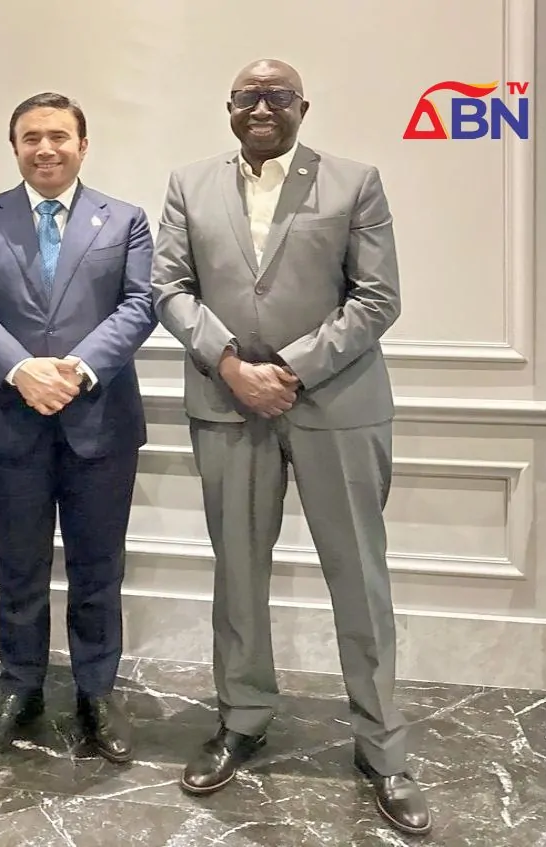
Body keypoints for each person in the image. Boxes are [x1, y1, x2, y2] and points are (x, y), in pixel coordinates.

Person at [151, 59, 431, 836]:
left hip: (337, 406)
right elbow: (168, 288)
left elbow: (378, 297)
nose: (261, 106)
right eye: (248, 95)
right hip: (227, 404)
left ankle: (383, 749)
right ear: (229, 107)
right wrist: (232, 367)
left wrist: (292, 369)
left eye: (277, 95)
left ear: (303, 106)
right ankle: (241, 719)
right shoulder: (189, 184)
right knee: (238, 572)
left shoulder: (354, 182)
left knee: (359, 578)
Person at [0, 92, 156, 763]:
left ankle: (98, 692)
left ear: (83, 145)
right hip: (9, 419)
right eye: (31, 137)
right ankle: (19, 689)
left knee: (99, 568)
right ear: (14, 147)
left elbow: (140, 302)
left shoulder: (126, 220)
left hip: (100, 421)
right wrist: (21, 369)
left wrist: (78, 369)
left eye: (59, 136)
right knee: (17, 567)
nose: (45, 148)